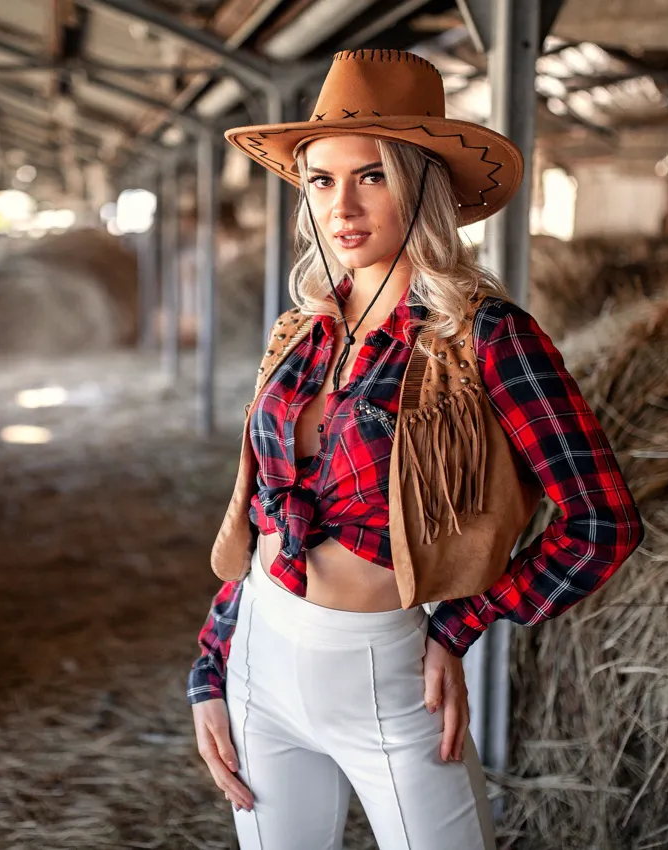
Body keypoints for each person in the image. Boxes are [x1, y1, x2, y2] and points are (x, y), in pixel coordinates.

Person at [187, 49, 644, 850]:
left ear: (422, 187)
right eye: (321, 180)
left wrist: (463, 622)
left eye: (372, 176)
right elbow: (264, 516)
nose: (341, 206)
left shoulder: (487, 338)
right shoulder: (298, 332)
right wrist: (211, 668)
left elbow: (602, 523)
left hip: (387, 680)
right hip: (258, 661)